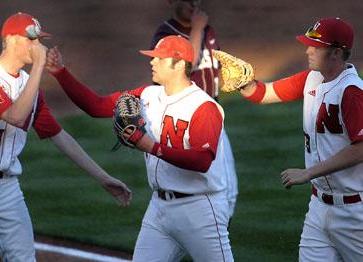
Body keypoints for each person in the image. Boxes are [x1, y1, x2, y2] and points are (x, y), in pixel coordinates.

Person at [46, 35, 234, 261]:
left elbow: (202, 161)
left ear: (179, 64)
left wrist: (150, 146)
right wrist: (60, 73)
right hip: (159, 210)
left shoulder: (203, 107)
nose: (152, 62)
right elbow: (96, 106)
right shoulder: (147, 95)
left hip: (200, 210)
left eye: (159, 59)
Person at [0, 12, 131, 262]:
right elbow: (14, 116)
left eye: (39, 40)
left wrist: (103, 178)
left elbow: (60, 136)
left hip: (8, 189)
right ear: (12, 39)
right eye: (32, 40)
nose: (38, 47)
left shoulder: (29, 85)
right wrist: (38, 68)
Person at [237, 17, 363, 261]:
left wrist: (309, 172)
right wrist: (244, 82)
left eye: (315, 47)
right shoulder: (312, 78)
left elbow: (361, 148)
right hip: (318, 208)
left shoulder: (352, 92)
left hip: (355, 214)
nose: (308, 50)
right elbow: (265, 93)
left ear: (336, 53)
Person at [151, 0, 238, 218]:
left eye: (196, 0)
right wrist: (197, 28)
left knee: (228, 190)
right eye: (187, 0)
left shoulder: (209, 30)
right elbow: (189, 62)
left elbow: (213, 68)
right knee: (202, 187)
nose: (194, 4)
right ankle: (205, 235)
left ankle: (210, 236)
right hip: (184, 117)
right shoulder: (165, 34)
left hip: (211, 117)